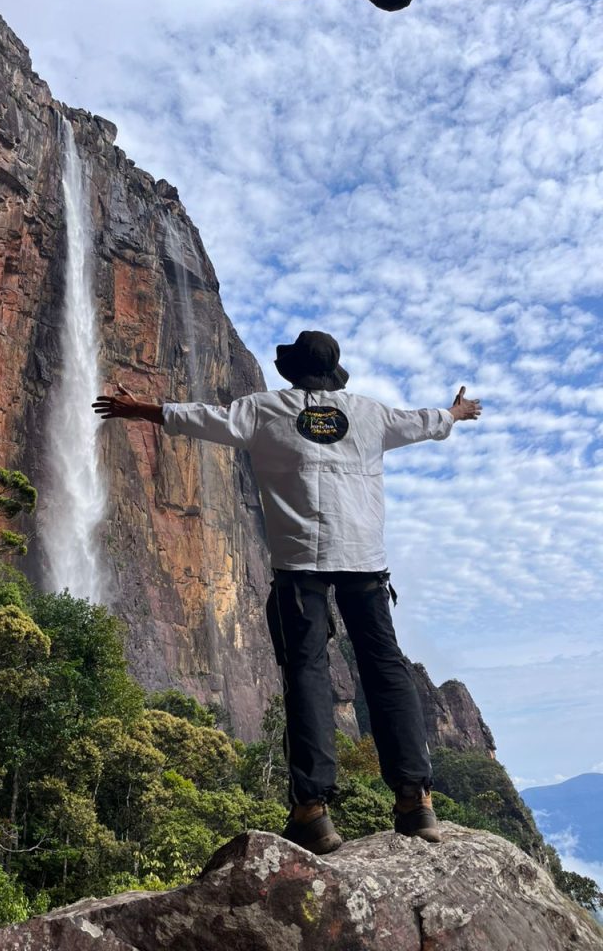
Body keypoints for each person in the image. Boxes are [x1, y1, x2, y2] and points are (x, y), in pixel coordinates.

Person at [93, 330, 481, 854]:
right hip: (364, 562)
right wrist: (455, 413)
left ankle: (313, 812)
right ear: (334, 374)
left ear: (294, 372)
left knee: (307, 674)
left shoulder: (264, 410)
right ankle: (416, 802)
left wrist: (141, 409)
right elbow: (423, 422)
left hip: (300, 567)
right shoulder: (368, 414)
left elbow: (206, 418)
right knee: (386, 669)